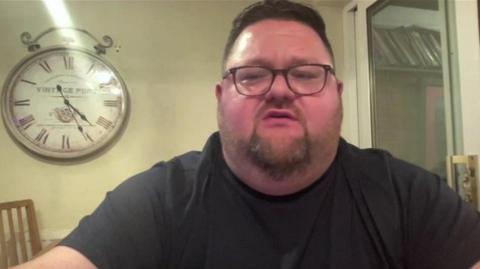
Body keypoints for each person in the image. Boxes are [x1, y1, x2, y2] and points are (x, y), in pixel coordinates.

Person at [14, 0, 480, 268]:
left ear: (336, 93)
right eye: (253, 74)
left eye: (304, 73)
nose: (279, 90)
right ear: (221, 96)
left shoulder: (406, 196)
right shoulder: (158, 201)